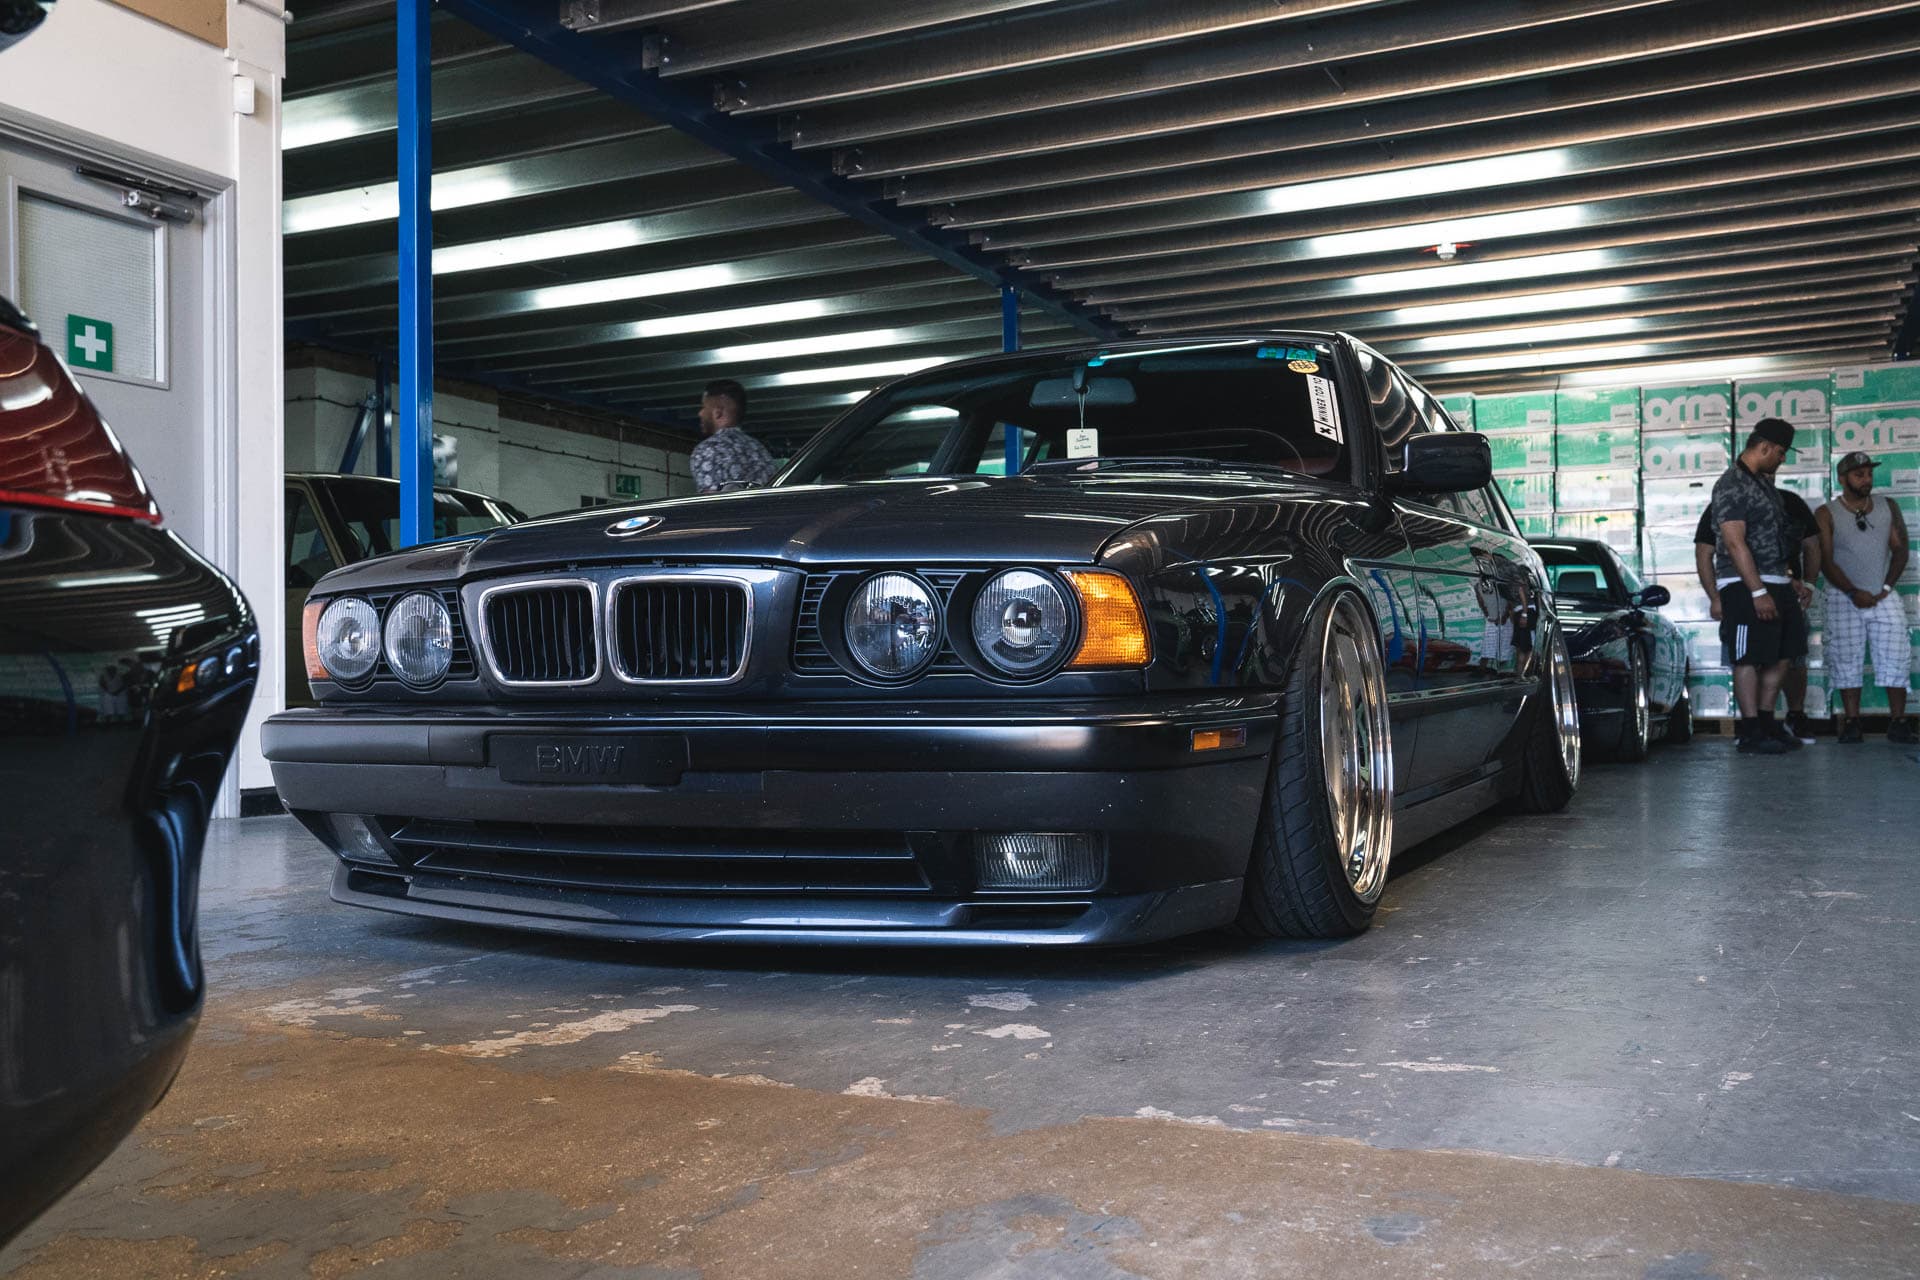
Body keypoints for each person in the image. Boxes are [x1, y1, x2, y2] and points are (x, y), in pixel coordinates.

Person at [1709, 418, 1808, 754]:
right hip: (1743, 584)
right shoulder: (1732, 484)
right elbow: (1734, 542)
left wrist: (1789, 579)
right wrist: (1757, 591)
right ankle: (1750, 730)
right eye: (1780, 452)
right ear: (1764, 447)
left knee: (1785, 653)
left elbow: (1770, 537)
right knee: (1748, 658)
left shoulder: (1763, 483)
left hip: (1777, 579)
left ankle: (1766, 721)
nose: (1783, 458)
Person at [1694, 483, 1822, 743]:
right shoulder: (1727, 500)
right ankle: (1751, 727)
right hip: (1741, 592)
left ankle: (1784, 718)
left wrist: (1809, 583)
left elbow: (1812, 545)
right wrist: (1715, 597)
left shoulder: (1790, 501)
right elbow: (1704, 552)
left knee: (1790, 657)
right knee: (1746, 658)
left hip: (1785, 590)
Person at [1814, 451, 1914, 744]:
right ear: (1842, 479)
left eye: (1869, 474)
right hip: (1842, 595)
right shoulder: (1826, 513)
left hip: (1882, 594)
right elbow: (1825, 560)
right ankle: (1852, 722)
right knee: (1845, 656)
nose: (1866, 479)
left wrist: (1886, 588)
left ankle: (1898, 722)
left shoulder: (1887, 506)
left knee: (1896, 654)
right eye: (1859, 475)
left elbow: (1900, 549)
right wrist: (1852, 591)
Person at [688, 378, 778, 495]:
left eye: (704, 407)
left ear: (718, 413)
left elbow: (711, 501)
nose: (700, 413)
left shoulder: (708, 450)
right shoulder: (759, 450)